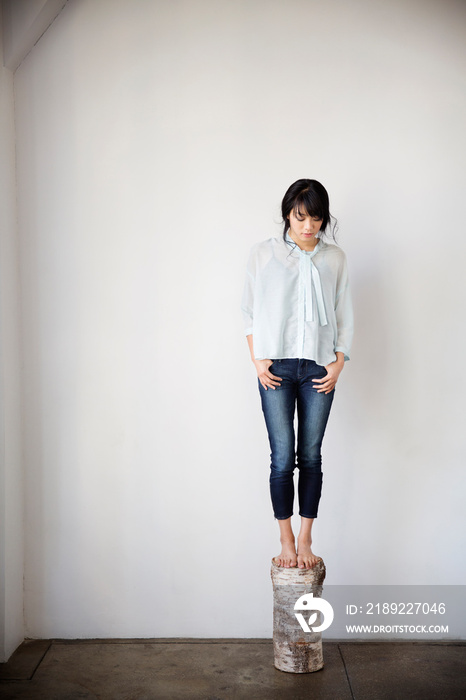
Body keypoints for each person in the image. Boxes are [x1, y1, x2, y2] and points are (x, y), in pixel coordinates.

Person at [241, 178, 353, 569]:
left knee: (311, 455)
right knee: (281, 458)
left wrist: (339, 361)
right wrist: (258, 361)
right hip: (276, 366)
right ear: (287, 213)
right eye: (300, 217)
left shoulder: (334, 258)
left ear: (324, 219)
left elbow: (343, 313)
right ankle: (285, 539)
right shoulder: (263, 254)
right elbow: (248, 312)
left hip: (319, 367)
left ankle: (306, 539)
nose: (308, 227)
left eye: (316, 219)